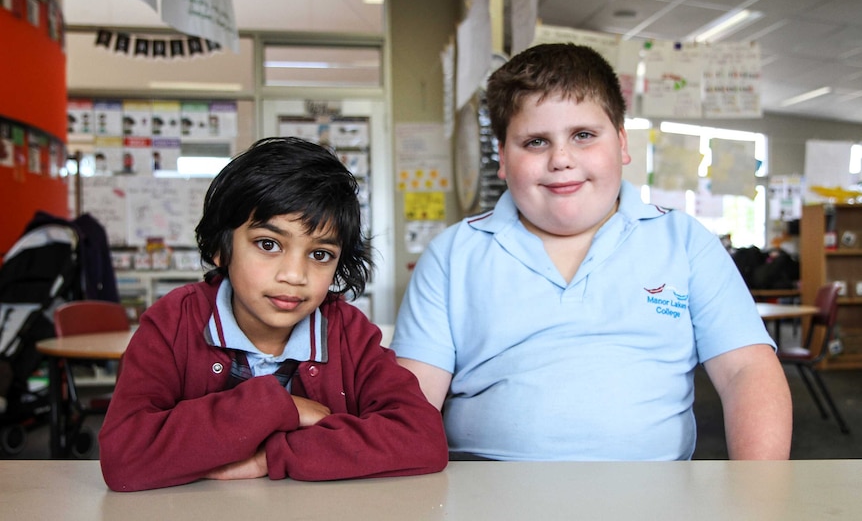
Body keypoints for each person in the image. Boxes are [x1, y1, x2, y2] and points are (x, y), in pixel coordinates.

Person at [391, 43, 792, 462]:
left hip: (653, 494)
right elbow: (413, 397)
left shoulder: (685, 241)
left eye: (583, 135)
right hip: (488, 493)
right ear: (504, 160)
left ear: (621, 142)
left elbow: (748, 371)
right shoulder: (453, 254)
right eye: (534, 142)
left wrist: (758, 493)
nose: (561, 159)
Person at [99, 137, 448, 492]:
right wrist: (279, 407)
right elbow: (124, 458)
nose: (294, 275)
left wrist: (271, 456)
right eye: (269, 244)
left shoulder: (347, 331)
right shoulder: (173, 322)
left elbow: (423, 437)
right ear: (221, 247)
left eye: (320, 254)